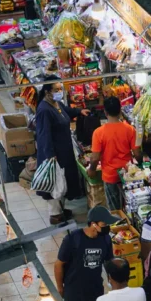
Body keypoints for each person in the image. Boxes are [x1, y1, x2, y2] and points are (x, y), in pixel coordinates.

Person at [55, 205, 115, 301]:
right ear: (93, 224)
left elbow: (109, 262)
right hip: (73, 292)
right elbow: (59, 264)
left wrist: (113, 284)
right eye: (104, 224)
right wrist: (60, 288)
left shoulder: (106, 239)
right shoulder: (72, 239)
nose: (107, 227)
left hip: (95, 291)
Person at [35, 83, 89, 224]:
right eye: (56, 89)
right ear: (47, 91)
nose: (59, 92)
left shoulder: (56, 103)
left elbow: (65, 111)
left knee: (63, 181)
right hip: (53, 153)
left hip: (64, 151)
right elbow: (44, 135)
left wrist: (79, 111)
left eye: (60, 89)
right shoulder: (44, 110)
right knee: (54, 182)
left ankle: (61, 209)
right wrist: (50, 155)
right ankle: (55, 214)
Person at [88, 96, 139, 211]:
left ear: (105, 112)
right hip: (128, 175)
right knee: (130, 207)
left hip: (110, 176)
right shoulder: (130, 129)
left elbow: (95, 158)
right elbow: (137, 153)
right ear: (120, 111)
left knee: (115, 210)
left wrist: (91, 170)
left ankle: (119, 227)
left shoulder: (98, 133)